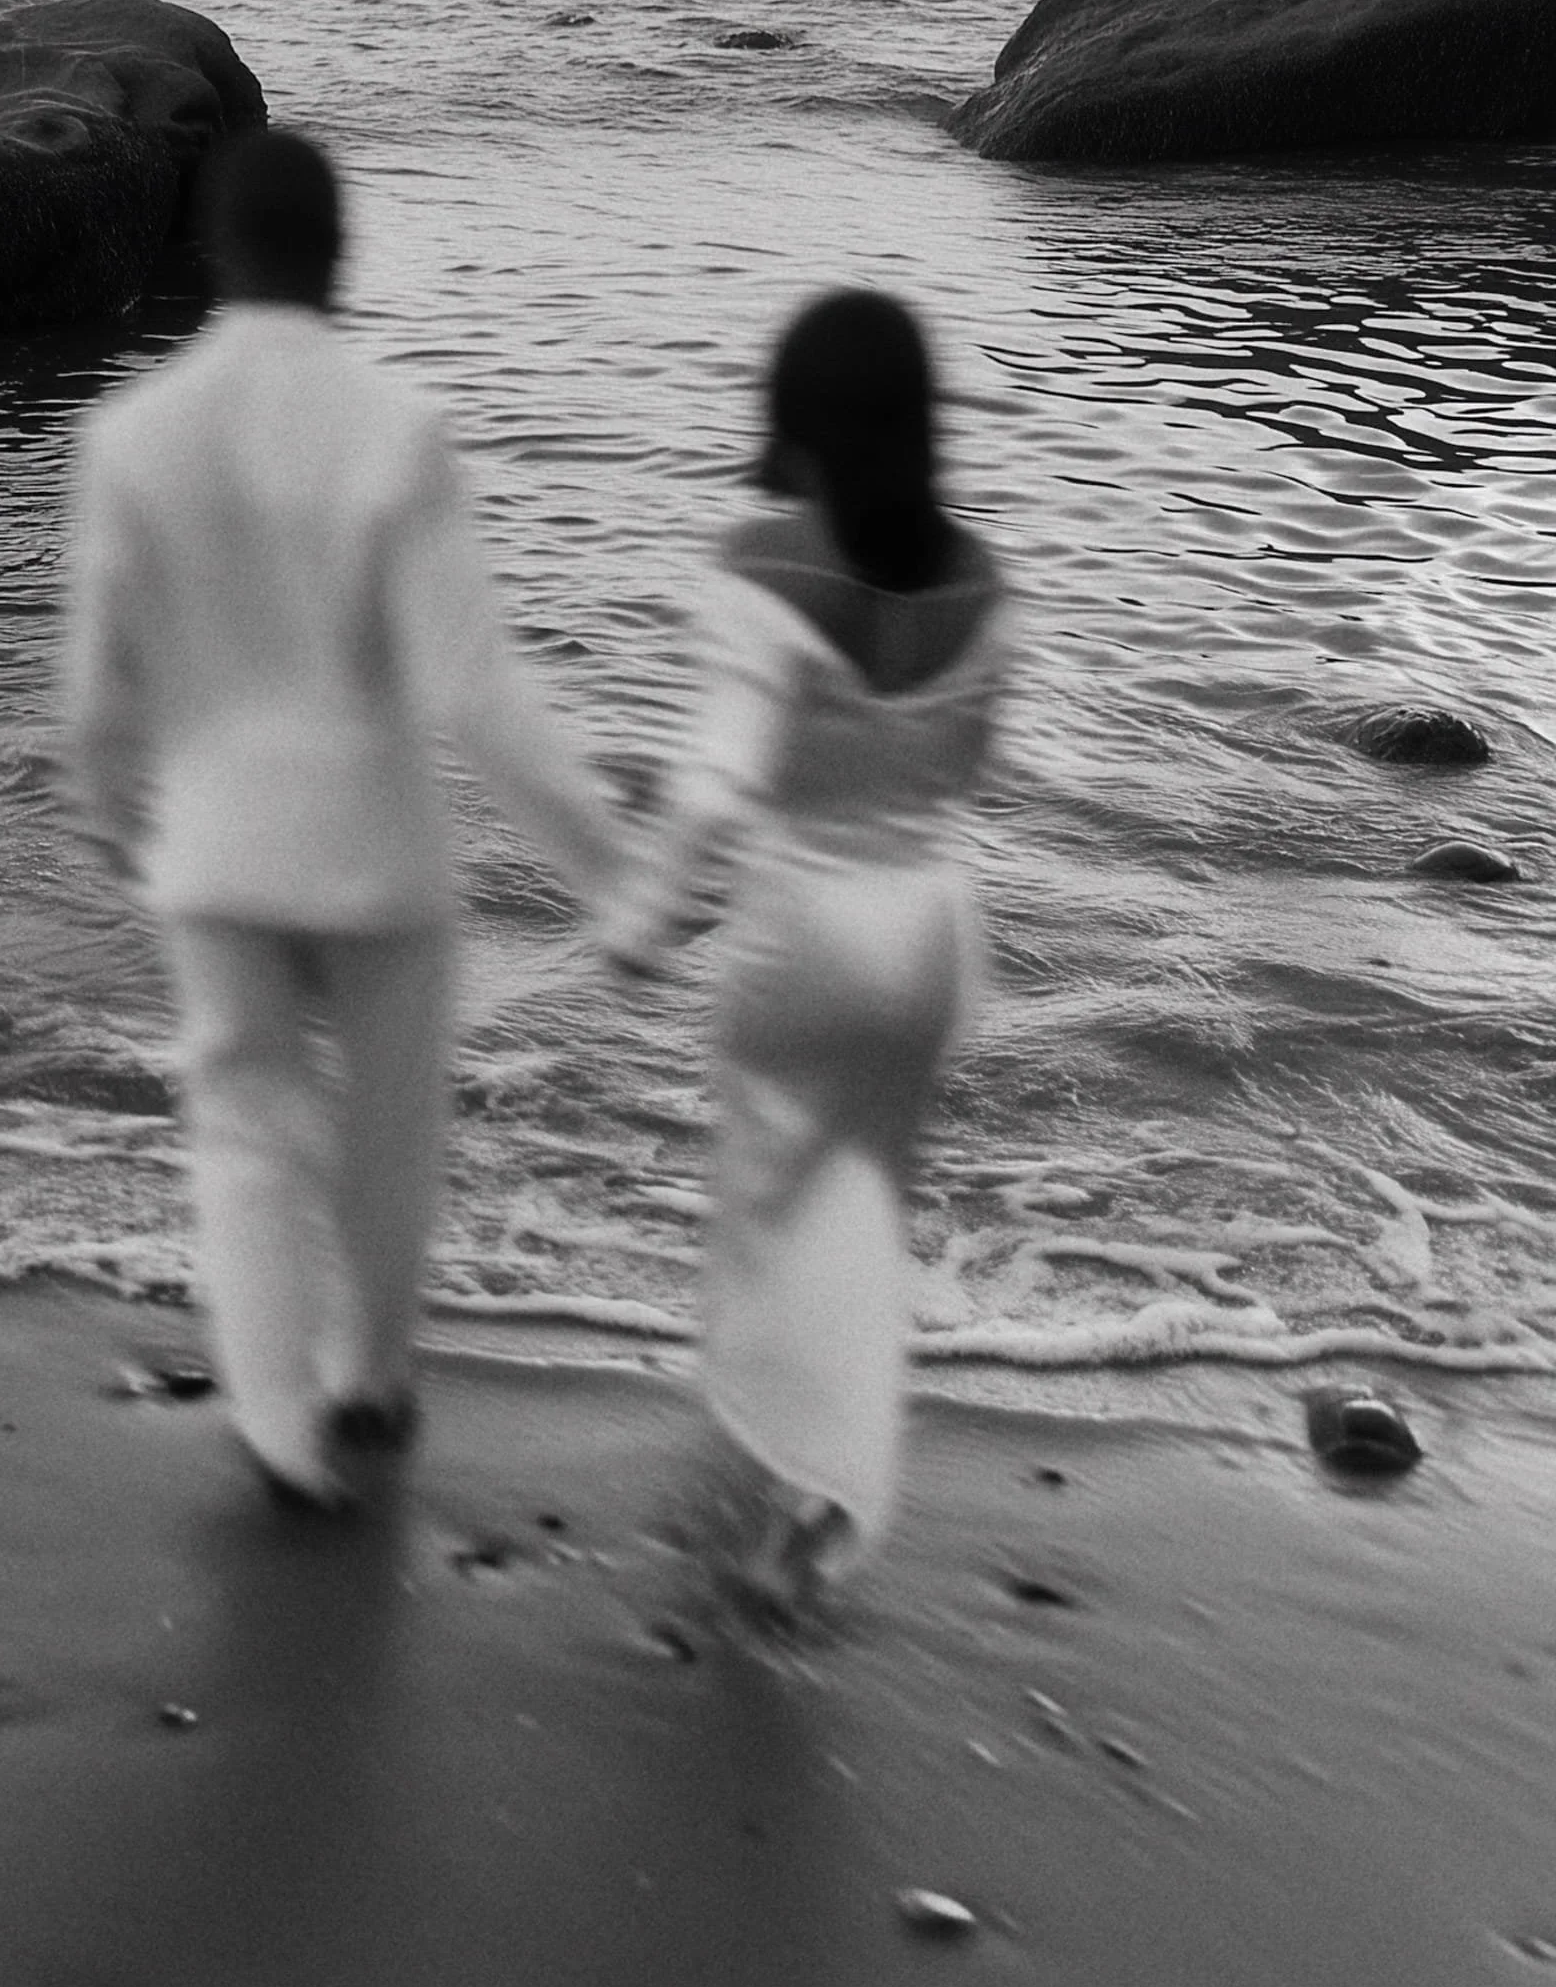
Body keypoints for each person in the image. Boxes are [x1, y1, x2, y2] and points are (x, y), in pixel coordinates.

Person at [64, 128, 621, 1511]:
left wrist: (112, 814)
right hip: (374, 853)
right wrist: (615, 871)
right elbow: (479, 701)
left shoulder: (128, 435)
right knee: (390, 1133)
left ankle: (279, 1434)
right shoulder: (397, 428)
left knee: (244, 1135)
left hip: (210, 851)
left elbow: (95, 694)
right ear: (341, 254)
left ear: (215, 251)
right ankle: (369, 1377)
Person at [600, 289, 1006, 1605]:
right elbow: (972, 768)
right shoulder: (984, 582)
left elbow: (717, 785)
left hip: (807, 940)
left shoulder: (762, 562)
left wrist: (647, 916)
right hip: (935, 936)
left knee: (771, 1207)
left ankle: (805, 1486)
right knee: (860, 1209)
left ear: (800, 422)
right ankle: (813, 1478)